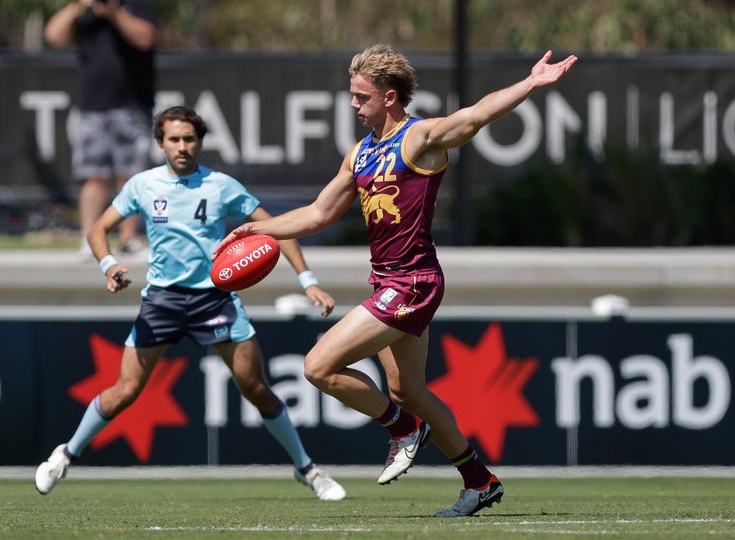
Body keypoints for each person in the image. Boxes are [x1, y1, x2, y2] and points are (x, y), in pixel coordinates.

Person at [214, 44, 578, 517]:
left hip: (414, 282)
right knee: (409, 390)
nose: (352, 105)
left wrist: (531, 83)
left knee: (318, 367)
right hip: (387, 282)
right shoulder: (360, 155)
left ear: (389, 97)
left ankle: (402, 428)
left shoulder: (420, 137)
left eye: (360, 96)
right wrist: (257, 228)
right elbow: (318, 213)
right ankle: (479, 480)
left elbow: (476, 115)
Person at [34, 106, 346, 502]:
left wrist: (308, 280)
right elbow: (98, 229)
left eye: (189, 139)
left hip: (213, 298)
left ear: (199, 142)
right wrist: (109, 264)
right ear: (160, 143)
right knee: (125, 390)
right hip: (162, 301)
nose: (182, 147)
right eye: (174, 139)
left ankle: (308, 469)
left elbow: (277, 229)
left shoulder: (220, 186)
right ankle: (65, 455)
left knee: (255, 387)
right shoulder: (143, 185)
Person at [44, 0, 157, 256]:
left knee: (131, 177)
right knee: (94, 175)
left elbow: (145, 38)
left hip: (132, 104)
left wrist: (114, 14)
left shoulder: (136, 5)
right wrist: (78, 6)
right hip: (92, 106)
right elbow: (53, 35)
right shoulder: (85, 11)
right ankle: (89, 239)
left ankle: (128, 239)